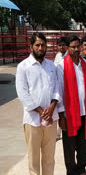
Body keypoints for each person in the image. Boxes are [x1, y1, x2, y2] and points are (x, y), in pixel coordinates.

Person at [16, 32, 60, 175]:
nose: (40, 48)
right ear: (31, 47)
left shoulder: (51, 66)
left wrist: (52, 107)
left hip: (51, 120)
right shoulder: (23, 67)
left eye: (43, 45)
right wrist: (42, 112)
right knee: (33, 160)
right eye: (37, 45)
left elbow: (56, 88)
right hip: (32, 120)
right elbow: (23, 94)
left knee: (49, 159)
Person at [57, 35, 86, 175]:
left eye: (77, 46)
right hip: (69, 114)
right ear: (67, 48)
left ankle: (81, 168)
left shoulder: (84, 63)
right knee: (69, 146)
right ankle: (71, 172)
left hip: (84, 111)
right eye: (72, 47)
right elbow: (59, 92)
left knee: (82, 143)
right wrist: (62, 116)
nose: (76, 49)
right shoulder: (61, 66)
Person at [54, 36, 68, 140]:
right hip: (57, 83)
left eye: (63, 45)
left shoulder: (69, 56)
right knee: (58, 109)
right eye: (60, 45)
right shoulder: (57, 56)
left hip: (66, 84)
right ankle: (58, 133)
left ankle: (64, 130)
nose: (61, 47)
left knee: (65, 110)